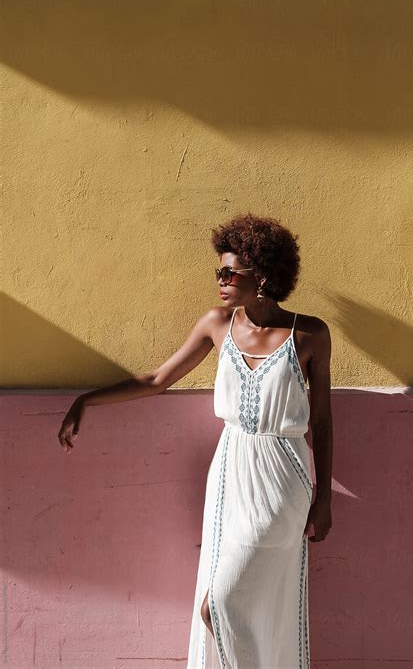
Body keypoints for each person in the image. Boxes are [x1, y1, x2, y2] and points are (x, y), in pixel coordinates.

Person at [58, 212, 333, 668]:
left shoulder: (309, 334)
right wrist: (88, 400)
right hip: (229, 473)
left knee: (220, 604)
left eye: (230, 273)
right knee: (228, 602)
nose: (220, 281)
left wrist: (324, 499)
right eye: (218, 272)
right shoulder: (217, 324)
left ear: (262, 277)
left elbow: (321, 422)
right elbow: (157, 378)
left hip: (283, 477)